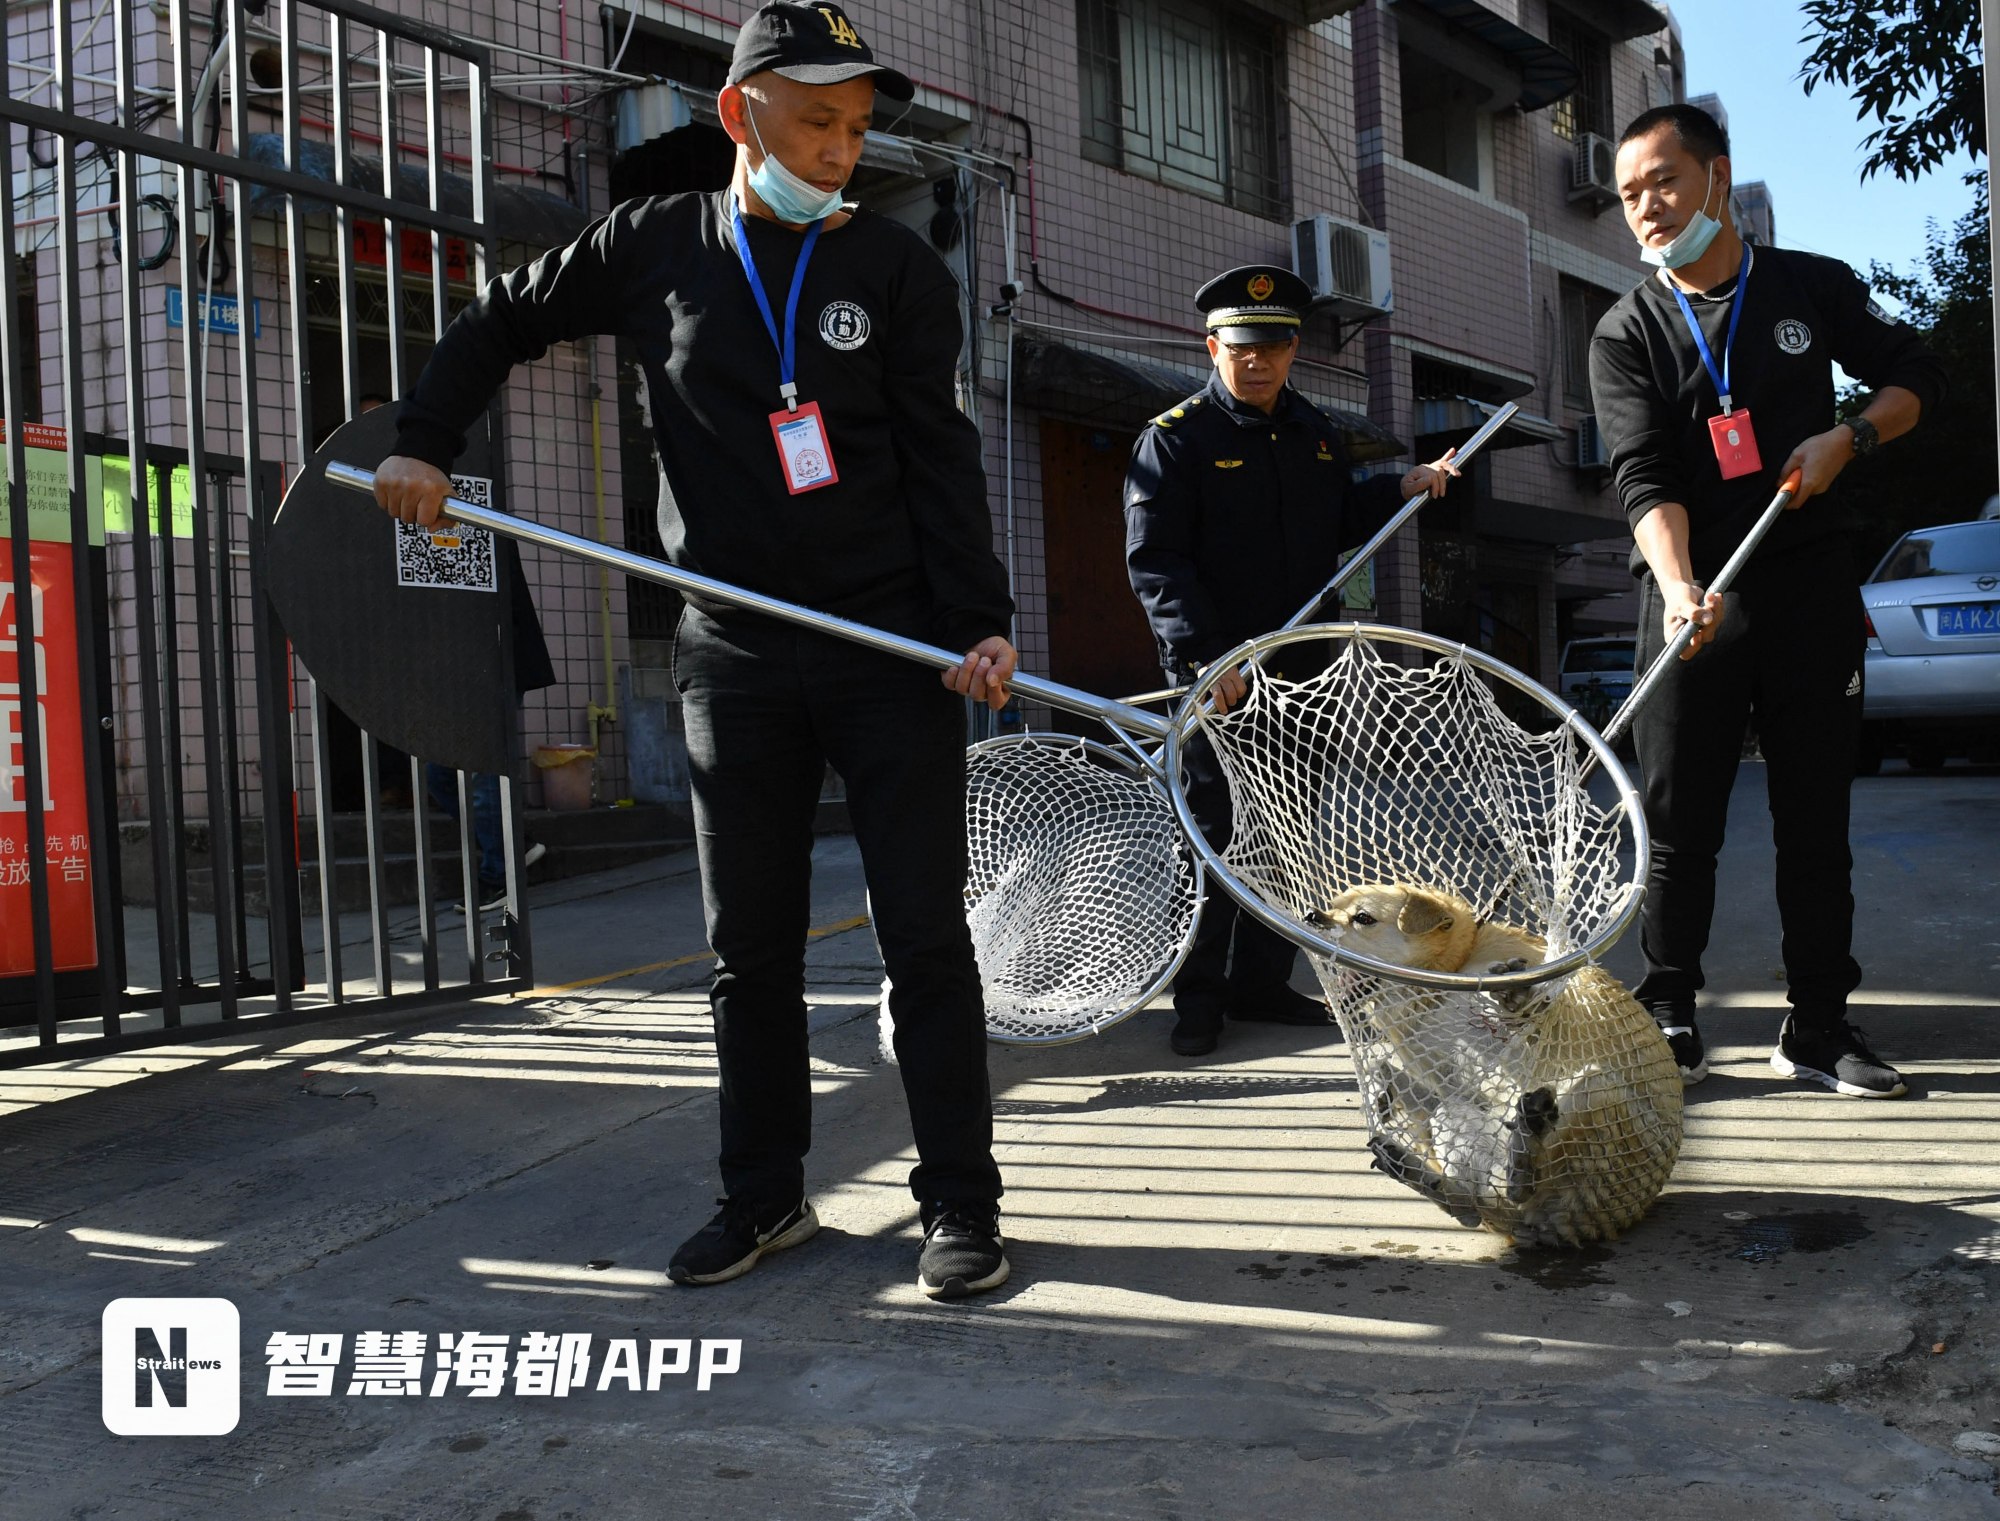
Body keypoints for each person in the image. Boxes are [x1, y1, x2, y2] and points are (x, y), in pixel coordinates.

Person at [368, 1, 1019, 1297]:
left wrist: (976, 622)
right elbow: (501, 321)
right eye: (817, 120)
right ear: (741, 112)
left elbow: (941, 458)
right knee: (751, 949)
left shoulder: (895, 269)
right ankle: (764, 1197)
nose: (843, 145)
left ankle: (962, 1203)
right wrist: (425, 441)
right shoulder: (655, 244)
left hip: (887, 648)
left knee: (924, 938)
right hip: (733, 653)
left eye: (856, 124)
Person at [1588, 103, 1944, 1098]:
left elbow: (1915, 374)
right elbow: (1641, 478)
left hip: (1808, 586)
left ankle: (1818, 1026)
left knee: (1813, 817)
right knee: (1675, 822)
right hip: (1695, 599)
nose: (1646, 209)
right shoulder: (1625, 330)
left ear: (1714, 175)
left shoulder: (1808, 286)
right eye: (1626, 197)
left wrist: (1849, 439)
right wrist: (1674, 587)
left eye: (1661, 181)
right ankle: (1666, 1012)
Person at [1125, 264, 1460, 1058]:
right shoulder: (1172, 440)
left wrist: (1404, 486)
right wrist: (1207, 659)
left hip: (1303, 673)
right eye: (1243, 348)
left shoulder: (1313, 431)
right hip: (1218, 678)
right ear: (1213, 346)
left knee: (1287, 834)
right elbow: (1156, 562)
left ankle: (1261, 981)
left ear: (1293, 348)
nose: (1259, 362)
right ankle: (1200, 992)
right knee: (1213, 835)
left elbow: (1339, 517)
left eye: (1274, 347)